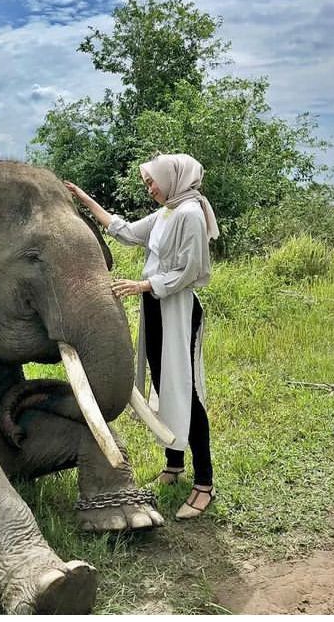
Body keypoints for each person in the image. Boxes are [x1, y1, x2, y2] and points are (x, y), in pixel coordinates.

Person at [64, 153, 219, 519]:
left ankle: (205, 484)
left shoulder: (190, 214)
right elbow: (127, 231)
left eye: (152, 182)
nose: (149, 189)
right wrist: (85, 200)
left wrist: (144, 284)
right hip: (156, 307)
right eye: (146, 183)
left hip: (177, 310)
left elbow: (191, 270)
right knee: (165, 387)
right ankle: (174, 464)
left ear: (172, 177)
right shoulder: (169, 211)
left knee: (186, 389)